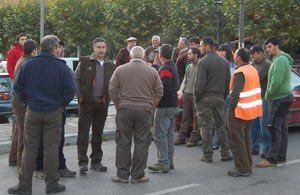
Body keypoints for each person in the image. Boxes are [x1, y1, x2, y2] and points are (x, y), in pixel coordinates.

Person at [8, 35, 76, 194]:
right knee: (51, 149)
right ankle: (52, 184)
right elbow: (71, 90)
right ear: (54, 48)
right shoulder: (62, 66)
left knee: (30, 148)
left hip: (33, 110)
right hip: (53, 112)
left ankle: (24, 185)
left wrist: (27, 102)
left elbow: (17, 87)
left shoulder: (28, 64)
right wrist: (60, 104)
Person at [109, 46, 163, 183]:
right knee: (142, 142)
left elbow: (112, 89)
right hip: (145, 110)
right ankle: (138, 175)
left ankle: (122, 175)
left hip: (125, 108)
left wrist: (118, 104)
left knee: (123, 141)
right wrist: (151, 105)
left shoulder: (120, 70)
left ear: (130, 57)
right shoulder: (152, 71)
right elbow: (159, 92)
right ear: (144, 57)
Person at [34, 41, 77, 179]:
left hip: (56, 109)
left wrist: (61, 103)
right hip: (39, 110)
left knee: (58, 139)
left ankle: (60, 166)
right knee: (40, 140)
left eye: (60, 48)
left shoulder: (61, 65)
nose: (59, 50)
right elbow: (20, 87)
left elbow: (70, 89)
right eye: (57, 47)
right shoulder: (33, 63)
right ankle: (39, 167)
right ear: (51, 48)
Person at [76, 37, 115, 174]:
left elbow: (114, 83)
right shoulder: (85, 61)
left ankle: (96, 161)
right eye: (98, 47)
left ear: (106, 49)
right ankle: (82, 162)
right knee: (83, 134)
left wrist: (110, 98)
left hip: (102, 103)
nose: (101, 50)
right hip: (86, 103)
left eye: (103, 47)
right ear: (94, 48)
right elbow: (76, 80)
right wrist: (80, 97)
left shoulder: (110, 64)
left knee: (98, 133)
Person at [256, 36, 294, 168]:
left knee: (273, 128)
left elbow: (275, 82)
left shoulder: (280, 60)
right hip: (284, 97)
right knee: (281, 128)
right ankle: (280, 157)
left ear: (277, 46)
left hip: (279, 97)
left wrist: (268, 95)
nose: (267, 49)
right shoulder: (279, 59)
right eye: (266, 47)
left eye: (270, 46)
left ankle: (272, 159)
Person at [194, 37, 232, 163]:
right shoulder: (224, 62)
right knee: (221, 125)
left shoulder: (203, 62)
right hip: (220, 97)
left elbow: (200, 84)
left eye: (201, 46)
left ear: (207, 46)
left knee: (206, 127)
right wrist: (223, 95)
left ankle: (207, 154)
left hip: (205, 98)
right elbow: (228, 83)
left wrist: (197, 98)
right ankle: (225, 152)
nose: (200, 48)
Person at [227, 48, 262, 177]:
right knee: (245, 137)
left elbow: (235, 94)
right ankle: (247, 165)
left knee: (236, 139)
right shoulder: (253, 70)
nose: (234, 57)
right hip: (250, 110)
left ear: (239, 58)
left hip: (239, 110)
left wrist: (230, 109)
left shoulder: (240, 72)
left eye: (235, 55)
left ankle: (242, 168)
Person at [148, 44, 179, 173]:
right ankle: (169, 161)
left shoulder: (165, 69)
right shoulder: (172, 66)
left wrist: (155, 102)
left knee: (159, 134)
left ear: (160, 55)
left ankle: (163, 162)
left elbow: (163, 88)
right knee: (169, 134)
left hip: (165, 106)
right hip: (173, 104)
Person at [9, 40, 37, 169]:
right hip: (21, 101)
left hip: (18, 99)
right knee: (23, 132)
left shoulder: (22, 60)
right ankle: (21, 164)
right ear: (33, 51)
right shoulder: (26, 63)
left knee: (18, 130)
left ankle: (13, 158)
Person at [7, 33, 27, 166]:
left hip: (20, 93)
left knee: (18, 129)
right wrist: (14, 81)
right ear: (18, 41)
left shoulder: (25, 54)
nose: (24, 41)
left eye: (25, 39)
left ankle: (14, 157)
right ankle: (19, 160)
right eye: (22, 39)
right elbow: (10, 68)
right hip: (19, 92)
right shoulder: (14, 52)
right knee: (21, 129)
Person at [175, 48, 201, 147]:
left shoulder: (201, 66)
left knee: (196, 118)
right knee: (185, 117)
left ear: (195, 55)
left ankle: (193, 138)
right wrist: (181, 90)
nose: (188, 55)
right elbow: (185, 79)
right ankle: (181, 136)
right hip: (187, 94)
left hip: (195, 95)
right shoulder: (189, 66)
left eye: (190, 54)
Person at [249, 45, 271, 158]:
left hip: (263, 98)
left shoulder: (266, 64)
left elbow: (256, 78)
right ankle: (254, 147)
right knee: (254, 125)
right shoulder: (252, 64)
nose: (251, 56)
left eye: (253, 54)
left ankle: (267, 148)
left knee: (263, 125)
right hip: (254, 98)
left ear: (260, 53)